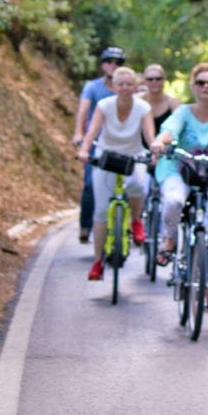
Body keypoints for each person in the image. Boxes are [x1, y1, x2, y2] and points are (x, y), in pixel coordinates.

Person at [149, 62, 208, 313]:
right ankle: (169, 239)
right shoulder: (183, 112)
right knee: (173, 202)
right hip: (178, 171)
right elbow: (169, 131)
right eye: (201, 82)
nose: (206, 87)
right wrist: (159, 142)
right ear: (193, 86)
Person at [77, 66, 155, 280]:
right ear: (113, 86)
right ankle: (97, 262)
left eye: (129, 84)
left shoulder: (143, 107)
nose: (124, 88)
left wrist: (155, 150)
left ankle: (136, 221)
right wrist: (84, 150)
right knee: (101, 211)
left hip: (134, 155)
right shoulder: (104, 105)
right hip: (107, 155)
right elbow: (93, 131)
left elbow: (149, 136)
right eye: (120, 84)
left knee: (138, 185)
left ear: (135, 86)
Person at [72, 47, 125, 244]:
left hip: (120, 143)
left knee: (126, 186)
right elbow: (83, 110)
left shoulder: (126, 87)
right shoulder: (92, 87)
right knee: (90, 184)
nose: (113, 66)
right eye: (110, 62)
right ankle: (86, 225)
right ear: (103, 65)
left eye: (118, 63)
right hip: (95, 142)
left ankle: (123, 227)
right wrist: (79, 133)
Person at [136, 63, 181, 142]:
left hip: (166, 148)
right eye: (150, 79)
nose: (154, 82)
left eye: (158, 79)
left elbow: (179, 126)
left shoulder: (173, 103)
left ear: (164, 80)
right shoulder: (137, 100)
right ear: (145, 81)